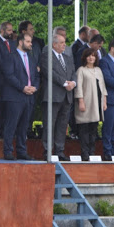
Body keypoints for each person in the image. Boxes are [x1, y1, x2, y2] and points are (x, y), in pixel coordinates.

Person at [1, 33, 39, 160]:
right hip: (15, 96)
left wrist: (34, 87)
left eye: (31, 41)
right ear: (21, 42)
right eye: (28, 41)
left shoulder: (31, 58)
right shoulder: (10, 57)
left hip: (29, 96)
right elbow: (9, 75)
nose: (30, 44)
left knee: (24, 125)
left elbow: (37, 76)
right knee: (11, 124)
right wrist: (22, 87)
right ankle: (8, 151)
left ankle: (22, 151)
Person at [40, 33, 77, 161]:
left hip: (67, 96)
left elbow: (73, 72)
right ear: (54, 44)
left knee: (62, 125)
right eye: (61, 42)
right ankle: (48, 151)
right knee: (50, 124)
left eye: (64, 42)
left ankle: (60, 151)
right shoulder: (46, 56)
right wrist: (65, 83)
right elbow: (49, 72)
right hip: (53, 96)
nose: (64, 45)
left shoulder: (67, 58)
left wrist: (73, 82)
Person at [74, 48, 107, 161]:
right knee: (84, 130)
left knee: (93, 130)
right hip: (86, 103)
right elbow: (78, 87)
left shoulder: (98, 70)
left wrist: (104, 102)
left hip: (97, 104)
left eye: (93, 55)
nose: (91, 57)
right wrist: (81, 101)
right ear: (85, 57)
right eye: (89, 55)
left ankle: (92, 153)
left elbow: (103, 87)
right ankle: (85, 153)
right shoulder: (81, 70)